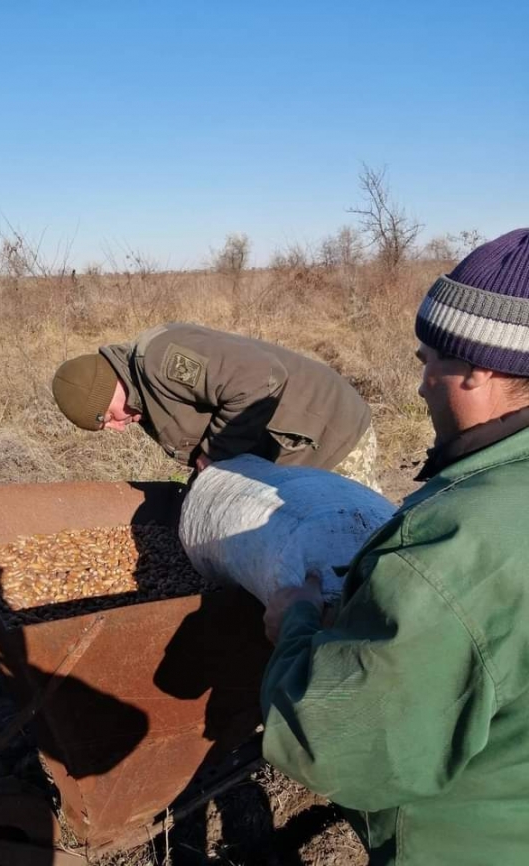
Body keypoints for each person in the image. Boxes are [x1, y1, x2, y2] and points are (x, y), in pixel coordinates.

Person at [260, 228, 529, 866]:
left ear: (480, 367)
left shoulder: (452, 544)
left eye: (427, 360)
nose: (420, 385)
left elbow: (327, 745)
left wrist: (293, 625)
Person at [52, 323, 378, 486]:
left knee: (357, 557)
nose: (117, 427)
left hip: (330, 434)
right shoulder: (141, 393)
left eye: (107, 417)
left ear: (107, 388)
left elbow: (262, 378)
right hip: (293, 454)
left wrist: (215, 456)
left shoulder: (159, 360)